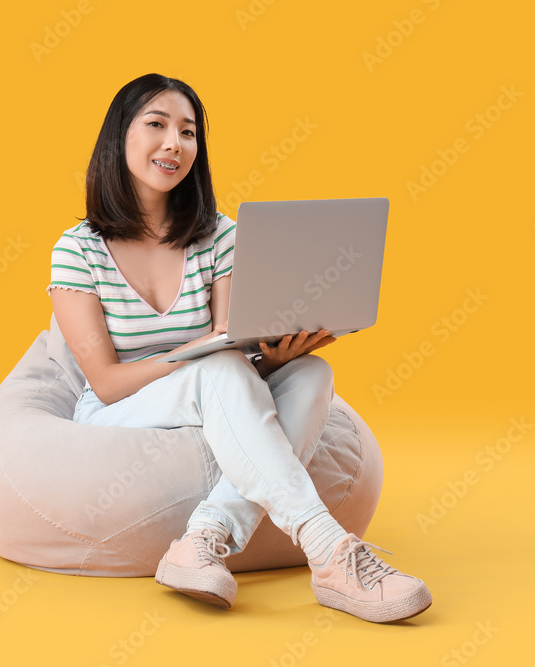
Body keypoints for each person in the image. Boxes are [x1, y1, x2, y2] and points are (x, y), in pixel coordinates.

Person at [47, 73, 431, 623]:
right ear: (119, 138)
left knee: (311, 374)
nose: (174, 144)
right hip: (120, 407)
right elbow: (106, 382)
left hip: (217, 388)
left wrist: (271, 359)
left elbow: (235, 346)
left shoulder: (219, 235)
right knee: (221, 368)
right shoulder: (77, 249)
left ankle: (204, 538)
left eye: (188, 131)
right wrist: (202, 358)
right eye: (156, 125)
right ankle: (331, 552)